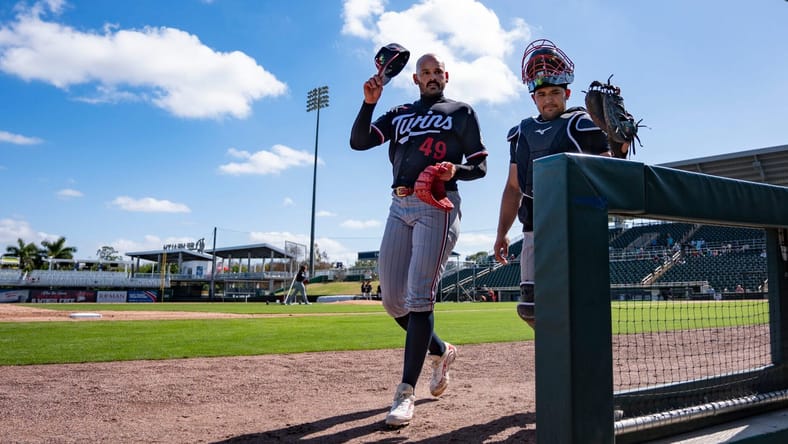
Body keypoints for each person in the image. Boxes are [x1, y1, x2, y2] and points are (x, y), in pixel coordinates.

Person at [350, 53, 488, 426]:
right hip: (400, 204)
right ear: (415, 79)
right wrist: (369, 103)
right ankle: (442, 352)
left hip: (438, 204)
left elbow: (480, 165)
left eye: (436, 72)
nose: (431, 77)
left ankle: (405, 393)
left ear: (446, 75)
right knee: (394, 302)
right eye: (424, 73)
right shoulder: (400, 113)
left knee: (418, 296)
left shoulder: (461, 112)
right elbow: (359, 142)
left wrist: (455, 168)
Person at [493, 39, 613, 328]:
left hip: (576, 226)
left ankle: (576, 364)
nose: (549, 99)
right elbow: (513, 188)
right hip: (535, 227)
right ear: (533, 97)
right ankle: (560, 362)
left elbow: (611, 171)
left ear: (567, 92)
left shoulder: (584, 124)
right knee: (531, 308)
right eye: (542, 93)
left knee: (579, 302)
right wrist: (502, 233)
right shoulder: (521, 133)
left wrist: (618, 145)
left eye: (555, 92)